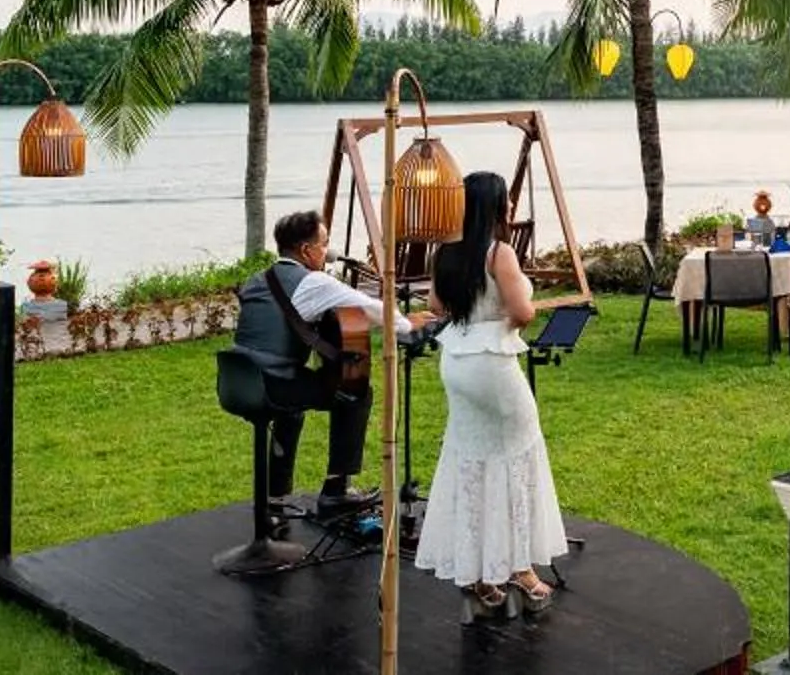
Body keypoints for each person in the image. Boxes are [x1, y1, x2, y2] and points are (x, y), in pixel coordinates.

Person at [413, 172, 571, 619]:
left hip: (457, 363)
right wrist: (516, 304)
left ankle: (480, 573)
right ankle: (520, 568)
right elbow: (521, 313)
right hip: (493, 365)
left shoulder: (446, 251)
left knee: (471, 461)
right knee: (517, 460)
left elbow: (440, 308)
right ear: (498, 206)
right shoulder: (499, 253)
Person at [231, 210, 379, 510]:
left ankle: (276, 494)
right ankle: (337, 490)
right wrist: (408, 325)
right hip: (272, 386)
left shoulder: (256, 280)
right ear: (306, 250)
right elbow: (372, 309)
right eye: (324, 244)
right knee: (356, 391)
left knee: (293, 408)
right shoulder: (313, 283)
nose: (328, 251)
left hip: (236, 382)